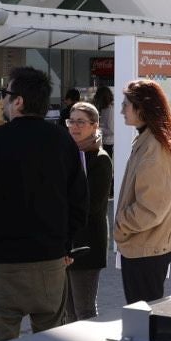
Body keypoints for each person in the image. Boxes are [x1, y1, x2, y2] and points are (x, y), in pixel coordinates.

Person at [0, 66, 87, 341]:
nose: (4, 101)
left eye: (6, 95)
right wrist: (67, 244)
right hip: (50, 262)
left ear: (18, 101)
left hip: (3, 262)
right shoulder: (63, 142)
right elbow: (80, 201)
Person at [114, 79, 171, 305]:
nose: (121, 110)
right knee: (146, 312)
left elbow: (151, 208)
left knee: (143, 315)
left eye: (125, 105)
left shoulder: (153, 148)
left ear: (142, 108)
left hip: (147, 246)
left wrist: (121, 224)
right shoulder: (152, 139)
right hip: (150, 243)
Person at [63, 101, 113, 322]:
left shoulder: (100, 159)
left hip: (87, 243)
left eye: (81, 122)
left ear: (94, 125)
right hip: (64, 243)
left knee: (84, 311)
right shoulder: (68, 154)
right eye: (71, 121)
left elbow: (90, 205)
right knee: (66, 310)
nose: (74, 127)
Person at [93, 85, 116, 158]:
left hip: (109, 143)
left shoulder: (111, 110)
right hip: (105, 142)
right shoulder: (105, 109)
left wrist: (98, 128)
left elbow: (112, 130)